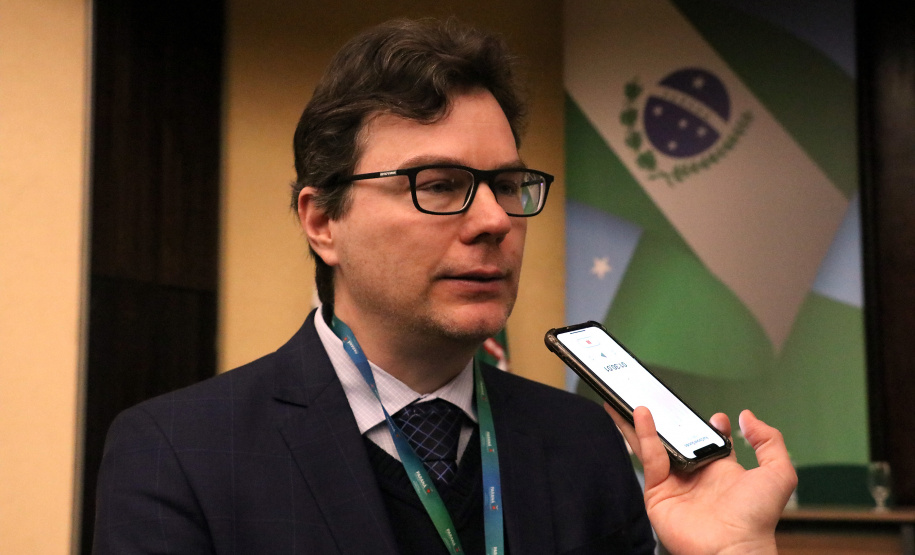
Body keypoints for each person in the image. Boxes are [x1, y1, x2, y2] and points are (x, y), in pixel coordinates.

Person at [93, 18, 796, 554]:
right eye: (438, 185)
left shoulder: (581, 443)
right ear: (323, 221)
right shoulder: (180, 451)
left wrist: (728, 552)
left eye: (507, 185)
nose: (494, 220)